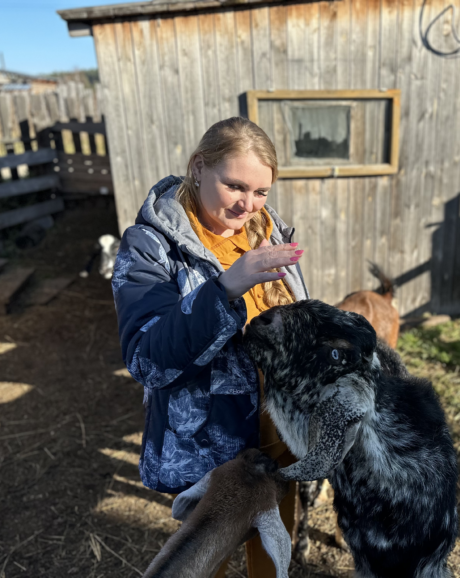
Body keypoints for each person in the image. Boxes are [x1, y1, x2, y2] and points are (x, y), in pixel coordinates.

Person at [111, 117, 309, 577]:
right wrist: (224, 290)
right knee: (207, 559)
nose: (249, 205)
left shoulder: (270, 232)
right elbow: (146, 360)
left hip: (279, 429)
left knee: (274, 551)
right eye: (236, 186)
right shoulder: (150, 246)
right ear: (198, 168)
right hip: (209, 440)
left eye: (261, 192)